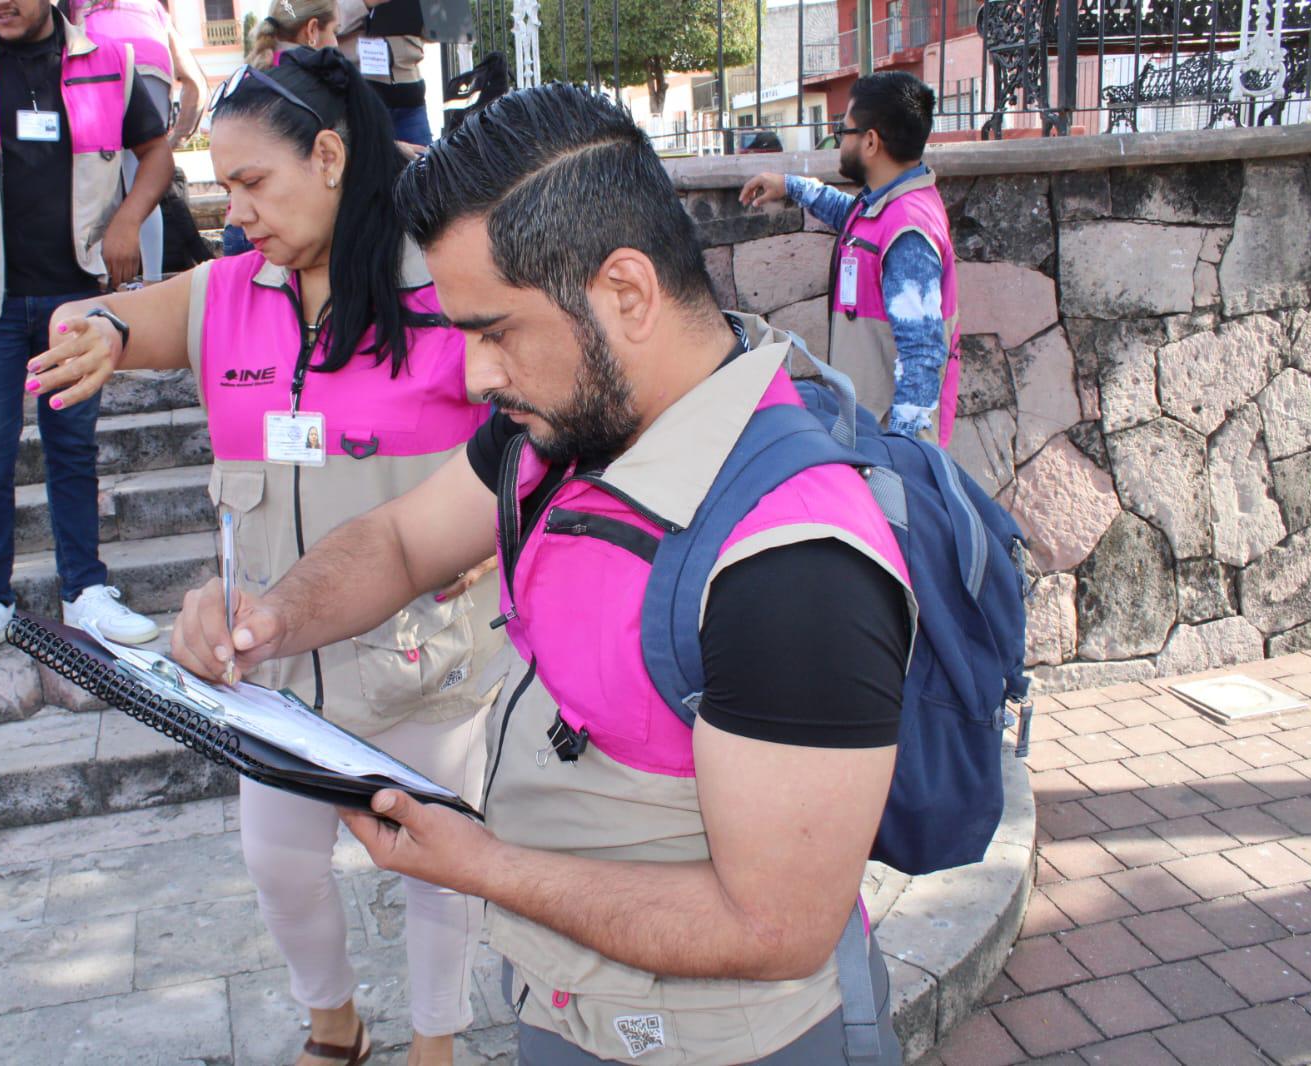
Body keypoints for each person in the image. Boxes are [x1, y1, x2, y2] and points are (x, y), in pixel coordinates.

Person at [162, 83, 912, 1065]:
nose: (473, 375)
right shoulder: (558, 430)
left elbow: (775, 926)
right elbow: (400, 541)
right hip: (568, 1005)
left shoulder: (796, 564)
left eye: (493, 329)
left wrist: (488, 868)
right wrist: (267, 615)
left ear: (628, 294)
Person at [26, 47, 503, 1066]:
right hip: (273, 671)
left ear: (330, 155)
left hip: (428, 657)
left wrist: (496, 541)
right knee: (279, 861)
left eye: (252, 182)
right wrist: (99, 326)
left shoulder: (444, 291)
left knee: (437, 873)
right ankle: (334, 1024)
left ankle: (438, 1042)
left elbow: (539, 440)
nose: (234, 210)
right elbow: (94, 315)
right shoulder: (225, 295)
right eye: (221, 185)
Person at [0, 0, 170, 668]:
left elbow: (156, 149)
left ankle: (84, 591)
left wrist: (129, 219)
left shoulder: (109, 61)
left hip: (71, 297)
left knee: (72, 448)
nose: (1, 4)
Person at [741, 71, 959, 446]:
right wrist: (791, 185)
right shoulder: (886, 207)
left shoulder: (908, 231)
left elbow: (922, 354)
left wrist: (902, 453)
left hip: (888, 447)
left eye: (845, 132)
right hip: (868, 430)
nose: (839, 142)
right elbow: (852, 218)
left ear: (871, 141)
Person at [66, 0, 207, 283]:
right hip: (154, 65)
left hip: (100, 60)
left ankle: (103, 276)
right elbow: (195, 82)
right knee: (139, 178)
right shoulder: (152, 7)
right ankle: (151, 278)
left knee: (94, 172)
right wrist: (177, 137)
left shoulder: (77, 3)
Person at [221, 0, 340, 257]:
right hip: (272, 232)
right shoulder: (308, 88)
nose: (336, 43)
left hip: (240, 237)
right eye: (335, 32)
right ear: (312, 30)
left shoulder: (253, 77)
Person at [336, 0, 430, 145]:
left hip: (410, 96)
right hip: (356, 95)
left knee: (423, 165)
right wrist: (364, 3)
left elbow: (436, 29)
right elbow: (315, 21)